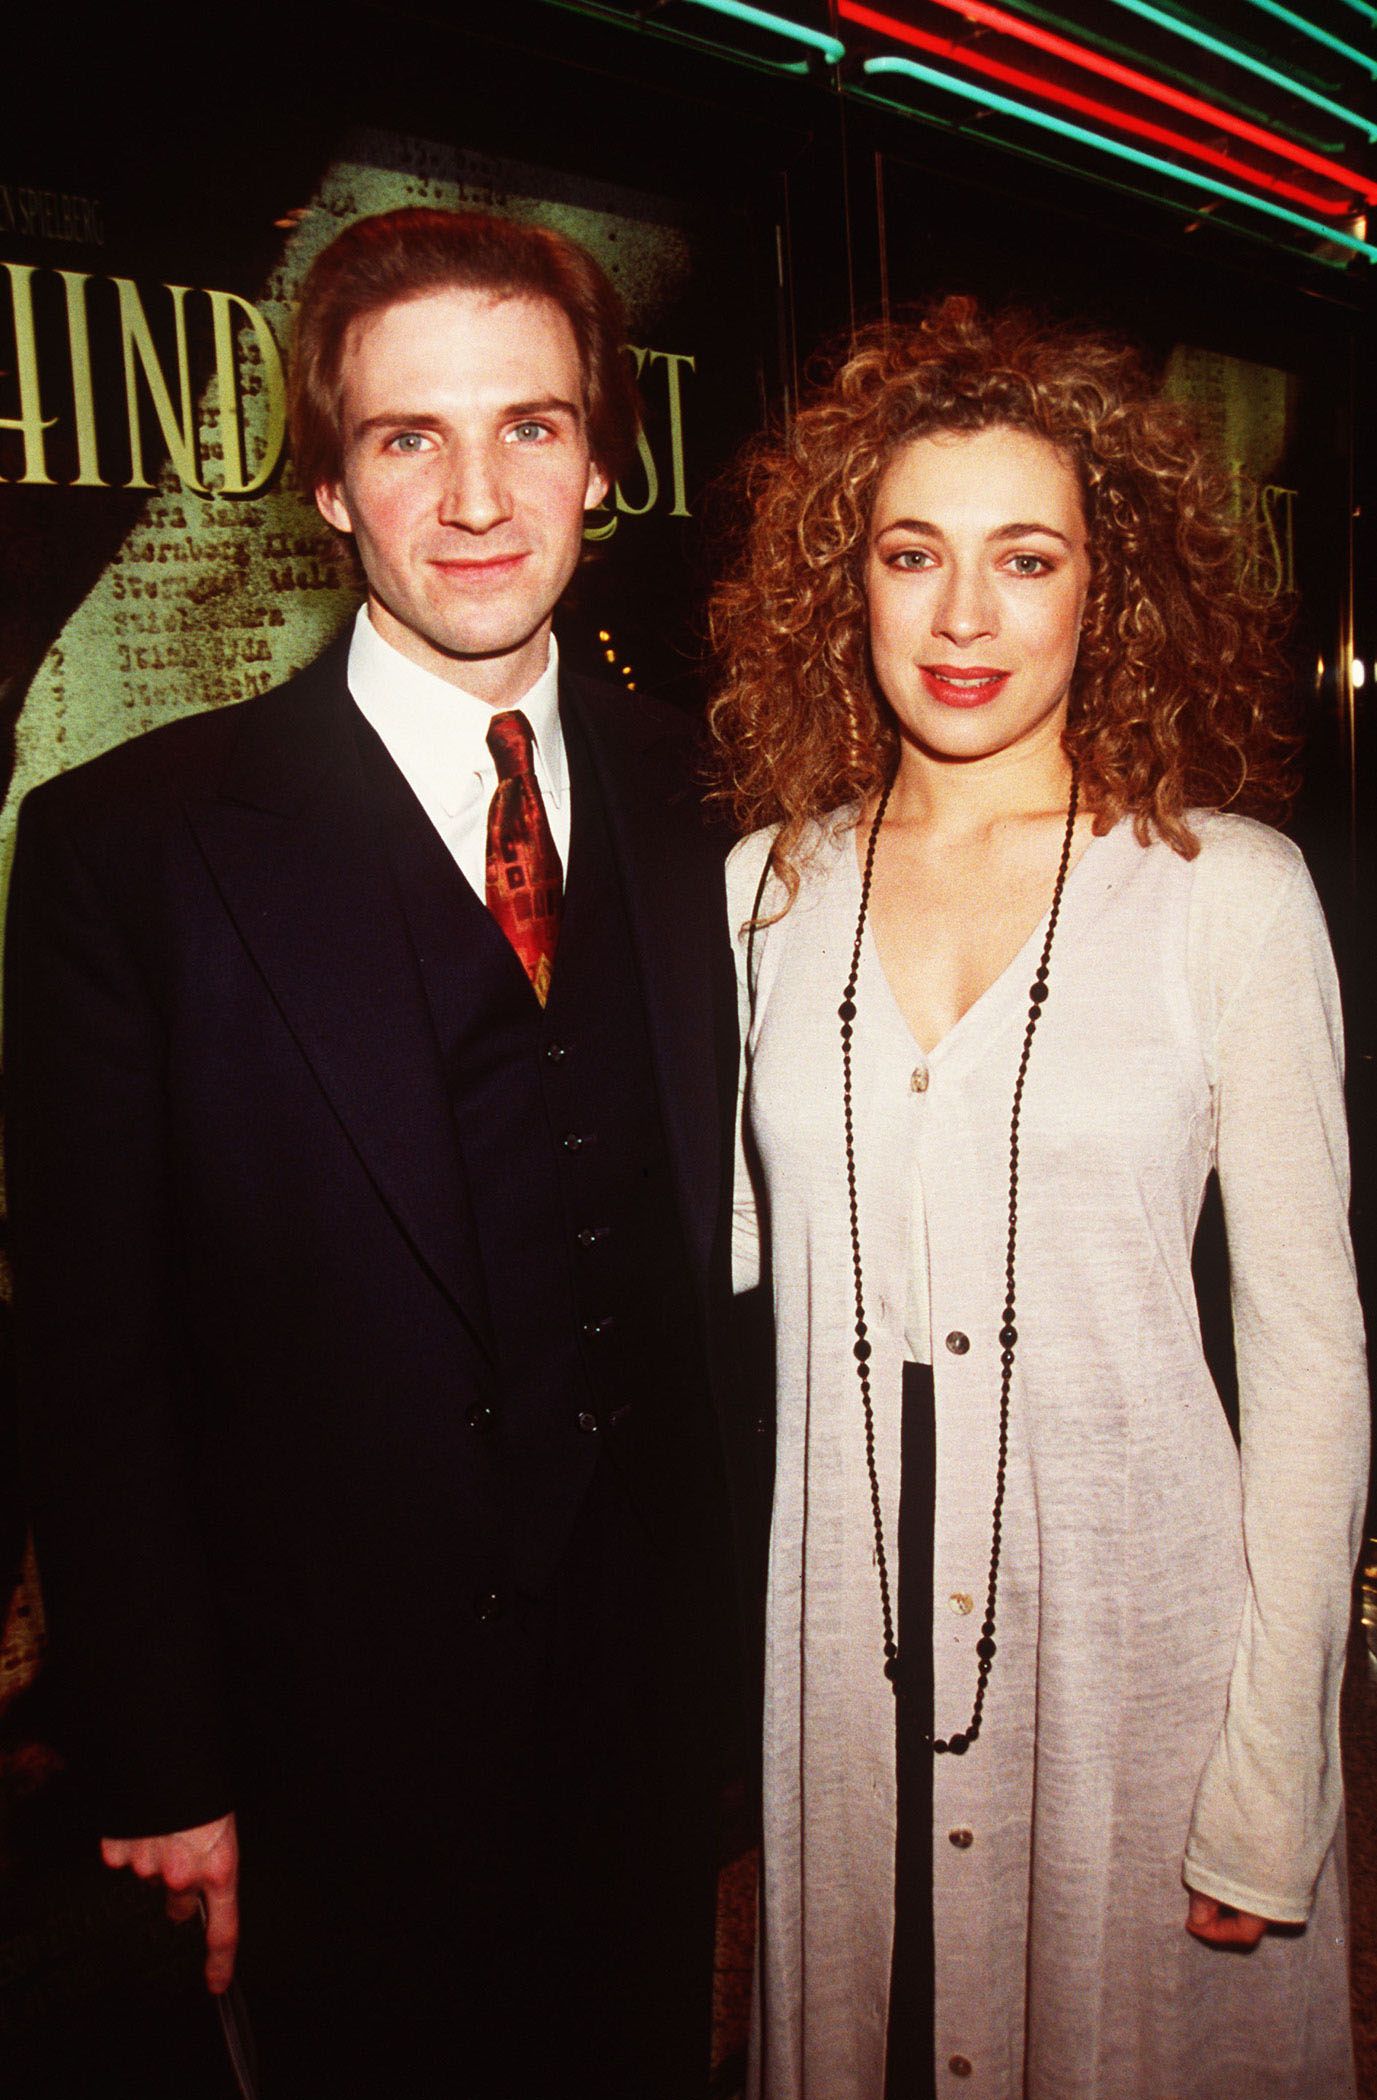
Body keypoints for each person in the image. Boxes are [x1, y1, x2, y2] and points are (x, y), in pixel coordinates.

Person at [6, 206, 750, 2100]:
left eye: (531, 425)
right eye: (409, 438)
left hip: (657, 1754)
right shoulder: (133, 851)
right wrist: (162, 1764)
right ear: (327, 488)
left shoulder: (728, 799)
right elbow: (93, 1363)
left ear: (601, 457)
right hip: (326, 1765)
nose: (479, 494)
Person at [709, 296, 1368, 2100]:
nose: (963, 617)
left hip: (1129, 1643)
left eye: (1025, 557)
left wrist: (1268, 1777)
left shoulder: (1225, 893)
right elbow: (732, 1297)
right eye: (912, 555)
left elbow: (1307, 1364)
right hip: (846, 1632)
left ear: (1111, 586)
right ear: (845, 585)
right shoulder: (766, 893)